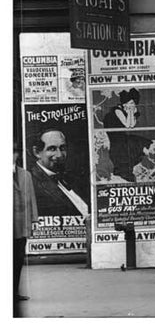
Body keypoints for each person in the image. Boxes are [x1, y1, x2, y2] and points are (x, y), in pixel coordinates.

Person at [30, 129, 88, 217]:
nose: (59, 155)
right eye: (52, 149)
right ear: (37, 152)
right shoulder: (31, 183)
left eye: (62, 148)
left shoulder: (73, 178)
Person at [13, 142, 38, 305]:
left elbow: (31, 199)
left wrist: (34, 220)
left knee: (18, 259)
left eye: (14, 152)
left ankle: (13, 292)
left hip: (21, 225)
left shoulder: (25, 175)